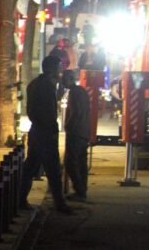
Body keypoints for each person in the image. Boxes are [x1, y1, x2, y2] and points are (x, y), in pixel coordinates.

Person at [20, 56, 71, 214]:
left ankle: (20, 199)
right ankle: (60, 204)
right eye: (58, 67)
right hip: (45, 131)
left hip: (37, 130)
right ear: (51, 69)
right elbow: (49, 111)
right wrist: (51, 130)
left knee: (31, 167)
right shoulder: (47, 86)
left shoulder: (35, 84)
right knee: (53, 169)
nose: (60, 71)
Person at [62, 70, 90, 202]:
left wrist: (68, 126)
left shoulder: (75, 93)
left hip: (76, 133)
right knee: (81, 162)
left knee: (71, 162)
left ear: (71, 79)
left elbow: (76, 112)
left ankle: (79, 190)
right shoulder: (82, 91)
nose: (62, 81)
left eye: (64, 78)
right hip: (83, 132)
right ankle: (82, 190)